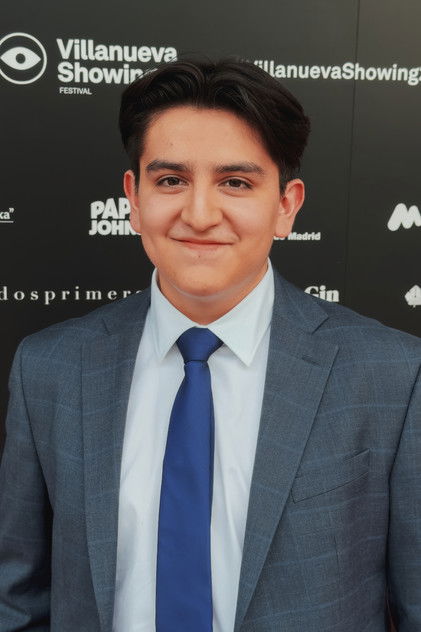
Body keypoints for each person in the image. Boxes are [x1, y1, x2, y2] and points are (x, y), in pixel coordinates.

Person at [0, 57, 420, 632]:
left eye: (236, 183)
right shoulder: (50, 368)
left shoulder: (392, 376)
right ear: (134, 198)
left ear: (286, 206)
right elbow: (18, 600)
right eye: (171, 180)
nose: (199, 215)